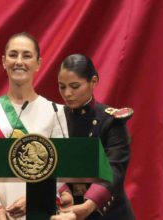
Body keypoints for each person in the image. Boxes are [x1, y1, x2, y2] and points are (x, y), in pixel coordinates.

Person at [0, 32, 67, 220]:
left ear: (38, 63)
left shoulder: (55, 111)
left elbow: (62, 168)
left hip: (38, 210)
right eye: (13, 55)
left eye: (27, 55)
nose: (19, 61)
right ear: (3, 61)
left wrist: (34, 198)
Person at [55, 54, 135, 220]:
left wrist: (89, 205)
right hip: (66, 209)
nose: (67, 93)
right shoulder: (56, 117)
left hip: (107, 211)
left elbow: (114, 169)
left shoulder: (111, 120)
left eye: (75, 86)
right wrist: (63, 193)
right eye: (62, 87)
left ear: (94, 82)